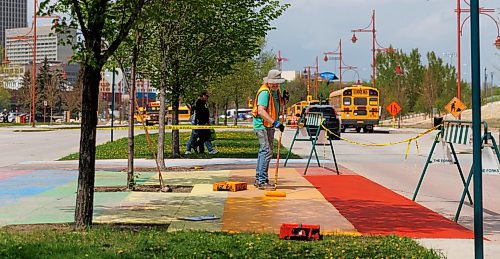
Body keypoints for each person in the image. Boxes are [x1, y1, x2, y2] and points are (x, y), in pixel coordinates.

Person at [251, 70, 286, 190]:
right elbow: (261, 111)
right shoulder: (265, 92)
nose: (276, 85)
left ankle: (260, 178)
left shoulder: (275, 92)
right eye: (273, 82)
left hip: (269, 126)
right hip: (262, 126)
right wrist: (275, 122)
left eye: (277, 83)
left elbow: (279, 109)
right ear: (268, 81)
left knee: (266, 151)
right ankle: (262, 180)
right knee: (266, 151)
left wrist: (284, 101)